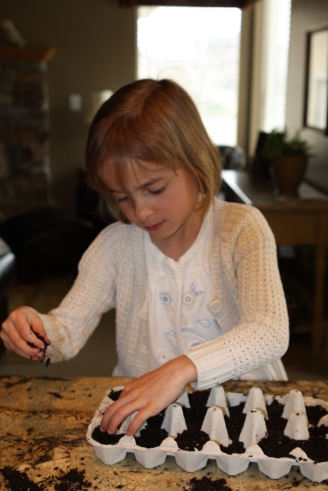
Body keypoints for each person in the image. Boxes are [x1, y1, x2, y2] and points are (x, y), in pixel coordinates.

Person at [0, 79, 289, 437]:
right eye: (122, 197)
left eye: (154, 189)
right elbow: (67, 332)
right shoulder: (114, 246)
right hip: (153, 421)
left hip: (250, 414)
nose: (140, 211)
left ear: (194, 161)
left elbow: (270, 331)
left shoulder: (241, 228)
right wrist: (36, 330)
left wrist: (181, 368)